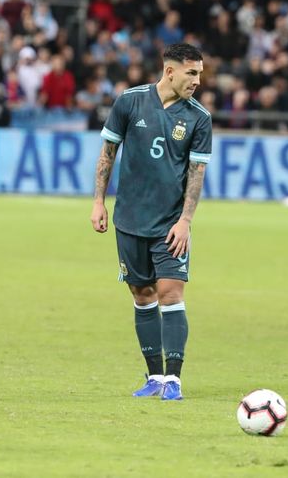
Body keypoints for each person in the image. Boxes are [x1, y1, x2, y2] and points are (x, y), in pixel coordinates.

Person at [90, 43, 212, 401]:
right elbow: (107, 153)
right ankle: (154, 376)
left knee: (170, 293)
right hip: (129, 219)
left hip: (169, 224)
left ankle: (174, 380)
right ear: (170, 71)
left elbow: (197, 172)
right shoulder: (130, 101)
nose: (197, 81)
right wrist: (98, 201)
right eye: (192, 73)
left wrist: (186, 220)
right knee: (142, 295)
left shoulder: (198, 118)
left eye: (200, 74)